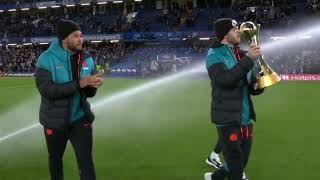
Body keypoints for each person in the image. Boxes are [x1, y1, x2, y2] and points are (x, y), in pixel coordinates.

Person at [35, 19, 103, 180]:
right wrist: (81, 83)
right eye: (76, 36)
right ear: (64, 38)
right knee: (55, 160)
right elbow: (47, 90)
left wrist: (92, 85)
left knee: (86, 162)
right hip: (54, 121)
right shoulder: (45, 59)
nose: (81, 39)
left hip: (80, 120)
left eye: (81, 36)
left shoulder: (88, 59)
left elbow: (89, 94)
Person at [204, 18, 264, 180]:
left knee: (240, 162)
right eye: (234, 29)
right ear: (224, 34)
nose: (238, 31)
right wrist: (248, 60)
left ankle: (214, 178)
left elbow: (250, 87)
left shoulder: (241, 54)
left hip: (245, 119)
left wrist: (260, 83)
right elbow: (225, 80)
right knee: (237, 170)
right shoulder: (214, 55)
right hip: (227, 120)